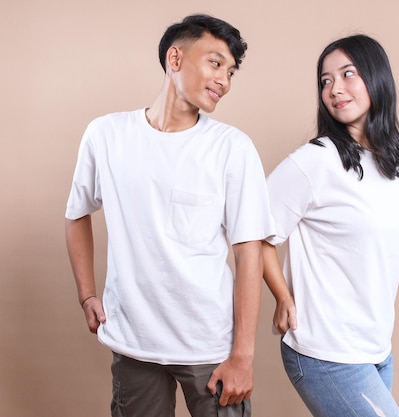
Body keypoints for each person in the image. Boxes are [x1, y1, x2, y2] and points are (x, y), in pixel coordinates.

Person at [65, 14, 273, 417]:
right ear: (175, 59)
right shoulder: (106, 135)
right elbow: (77, 214)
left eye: (231, 72)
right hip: (133, 342)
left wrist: (242, 357)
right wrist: (87, 293)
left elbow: (250, 251)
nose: (224, 81)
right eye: (215, 63)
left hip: (210, 347)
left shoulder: (232, 148)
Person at [262, 34, 399, 417]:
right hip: (326, 351)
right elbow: (252, 233)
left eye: (347, 74)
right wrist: (283, 296)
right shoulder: (315, 161)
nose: (334, 89)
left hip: (376, 347)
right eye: (325, 80)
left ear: (376, 77)